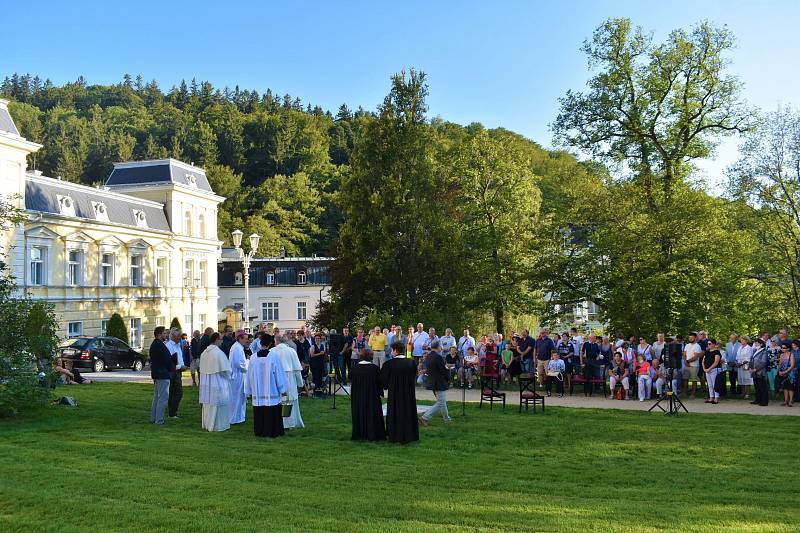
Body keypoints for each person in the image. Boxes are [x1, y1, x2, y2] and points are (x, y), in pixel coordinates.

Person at [245, 337, 289, 438]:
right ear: (270, 344)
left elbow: (249, 375)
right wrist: (283, 389)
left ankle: (260, 431)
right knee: (271, 411)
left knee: (260, 412)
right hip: (271, 390)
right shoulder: (274, 356)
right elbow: (279, 374)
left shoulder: (253, 357)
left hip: (258, 390)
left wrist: (249, 389)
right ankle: (272, 431)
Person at [381, 341, 419, 444]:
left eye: (392, 350)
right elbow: (414, 375)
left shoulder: (388, 364)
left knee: (395, 412)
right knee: (408, 411)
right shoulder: (411, 362)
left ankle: (394, 434)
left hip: (395, 394)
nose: (391, 352)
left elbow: (383, 381)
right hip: (409, 393)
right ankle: (410, 434)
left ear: (395, 350)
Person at [350, 347, 386, 441]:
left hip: (358, 397)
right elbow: (380, 383)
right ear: (371, 356)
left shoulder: (354, 368)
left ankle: (359, 433)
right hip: (372, 396)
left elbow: (351, 380)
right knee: (372, 413)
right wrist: (380, 393)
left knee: (359, 412)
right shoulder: (375, 369)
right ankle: (373, 433)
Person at [199, 333, 232, 432]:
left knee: (208, 404)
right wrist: (229, 376)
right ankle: (218, 425)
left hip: (206, 384)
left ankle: (207, 424)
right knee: (218, 405)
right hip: (218, 383)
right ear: (217, 339)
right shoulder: (218, 353)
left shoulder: (204, 352)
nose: (222, 341)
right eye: (221, 339)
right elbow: (225, 370)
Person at [270, 334, 305, 429]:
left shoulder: (271, 351)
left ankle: (278, 422)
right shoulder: (291, 351)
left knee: (278, 401)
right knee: (290, 400)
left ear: (276, 341)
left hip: (275, 379)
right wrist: (300, 383)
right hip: (290, 379)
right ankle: (291, 423)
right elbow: (297, 370)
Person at [419, 340, 452, 425]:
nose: (442, 348)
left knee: (442, 401)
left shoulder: (429, 356)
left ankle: (447, 419)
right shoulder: (438, 357)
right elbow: (442, 371)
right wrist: (448, 370)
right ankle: (425, 417)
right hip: (439, 382)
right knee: (441, 402)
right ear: (438, 347)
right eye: (441, 346)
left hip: (432, 381)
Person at [149, 326, 174, 425]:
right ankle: (159, 420)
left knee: (157, 397)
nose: (166, 335)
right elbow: (166, 359)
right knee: (163, 398)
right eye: (164, 333)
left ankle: (154, 418)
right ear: (159, 334)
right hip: (162, 373)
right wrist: (172, 363)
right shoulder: (159, 345)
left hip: (157, 373)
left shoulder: (155, 344)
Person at [228, 331, 249, 424]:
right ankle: (235, 418)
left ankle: (239, 416)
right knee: (237, 397)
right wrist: (249, 363)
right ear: (240, 338)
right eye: (245, 339)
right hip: (237, 376)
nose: (247, 341)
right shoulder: (237, 348)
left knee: (240, 397)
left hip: (239, 375)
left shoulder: (238, 347)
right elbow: (239, 364)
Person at [165, 328, 186, 419]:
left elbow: (179, 357)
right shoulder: (169, 346)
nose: (180, 338)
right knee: (177, 392)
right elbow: (170, 361)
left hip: (178, 371)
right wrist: (180, 367)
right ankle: (172, 413)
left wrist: (182, 365)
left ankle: (173, 412)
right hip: (173, 371)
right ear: (173, 336)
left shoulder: (178, 345)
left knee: (175, 392)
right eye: (178, 336)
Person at [749, 339, 770, 406]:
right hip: (754, 372)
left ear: (761, 344)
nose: (756, 344)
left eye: (757, 343)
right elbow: (751, 360)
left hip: (761, 372)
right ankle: (758, 400)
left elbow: (763, 362)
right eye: (755, 343)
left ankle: (764, 401)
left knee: (762, 387)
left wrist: (756, 369)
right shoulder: (755, 350)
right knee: (757, 387)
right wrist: (750, 368)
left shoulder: (764, 351)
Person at [701, 338, 722, 404]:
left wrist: (709, 369)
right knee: (709, 385)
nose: (708, 345)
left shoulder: (717, 352)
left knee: (715, 385)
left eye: (709, 344)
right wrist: (704, 369)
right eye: (708, 344)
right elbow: (703, 361)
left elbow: (716, 362)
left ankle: (716, 398)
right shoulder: (707, 352)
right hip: (707, 370)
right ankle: (711, 397)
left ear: (714, 344)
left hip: (714, 370)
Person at [683, 332, 703, 399]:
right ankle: (685, 393)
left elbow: (696, 357)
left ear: (695, 338)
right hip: (686, 365)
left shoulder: (697, 346)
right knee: (685, 379)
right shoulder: (687, 345)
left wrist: (688, 361)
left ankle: (693, 394)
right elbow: (684, 354)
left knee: (694, 380)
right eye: (689, 337)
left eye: (692, 338)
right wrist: (685, 361)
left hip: (694, 365)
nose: (690, 339)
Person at [777, 342, 795, 407]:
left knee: (790, 388)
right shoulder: (781, 355)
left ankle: (790, 401)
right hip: (783, 373)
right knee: (785, 388)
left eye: (784, 348)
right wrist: (779, 371)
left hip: (790, 374)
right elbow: (780, 364)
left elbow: (792, 365)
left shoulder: (791, 355)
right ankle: (785, 401)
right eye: (782, 348)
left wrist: (785, 372)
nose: (782, 349)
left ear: (788, 349)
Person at [309, 333, 327, 397]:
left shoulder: (322, 345)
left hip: (321, 364)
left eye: (318, 338)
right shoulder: (313, 346)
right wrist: (319, 353)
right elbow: (312, 355)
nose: (317, 340)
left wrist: (323, 353)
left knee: (320, 377)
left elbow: (324, 353)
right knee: (315, 377)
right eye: (316, 338)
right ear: (314, 339)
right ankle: (315, 391)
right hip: (315, 364)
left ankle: (319, 390)